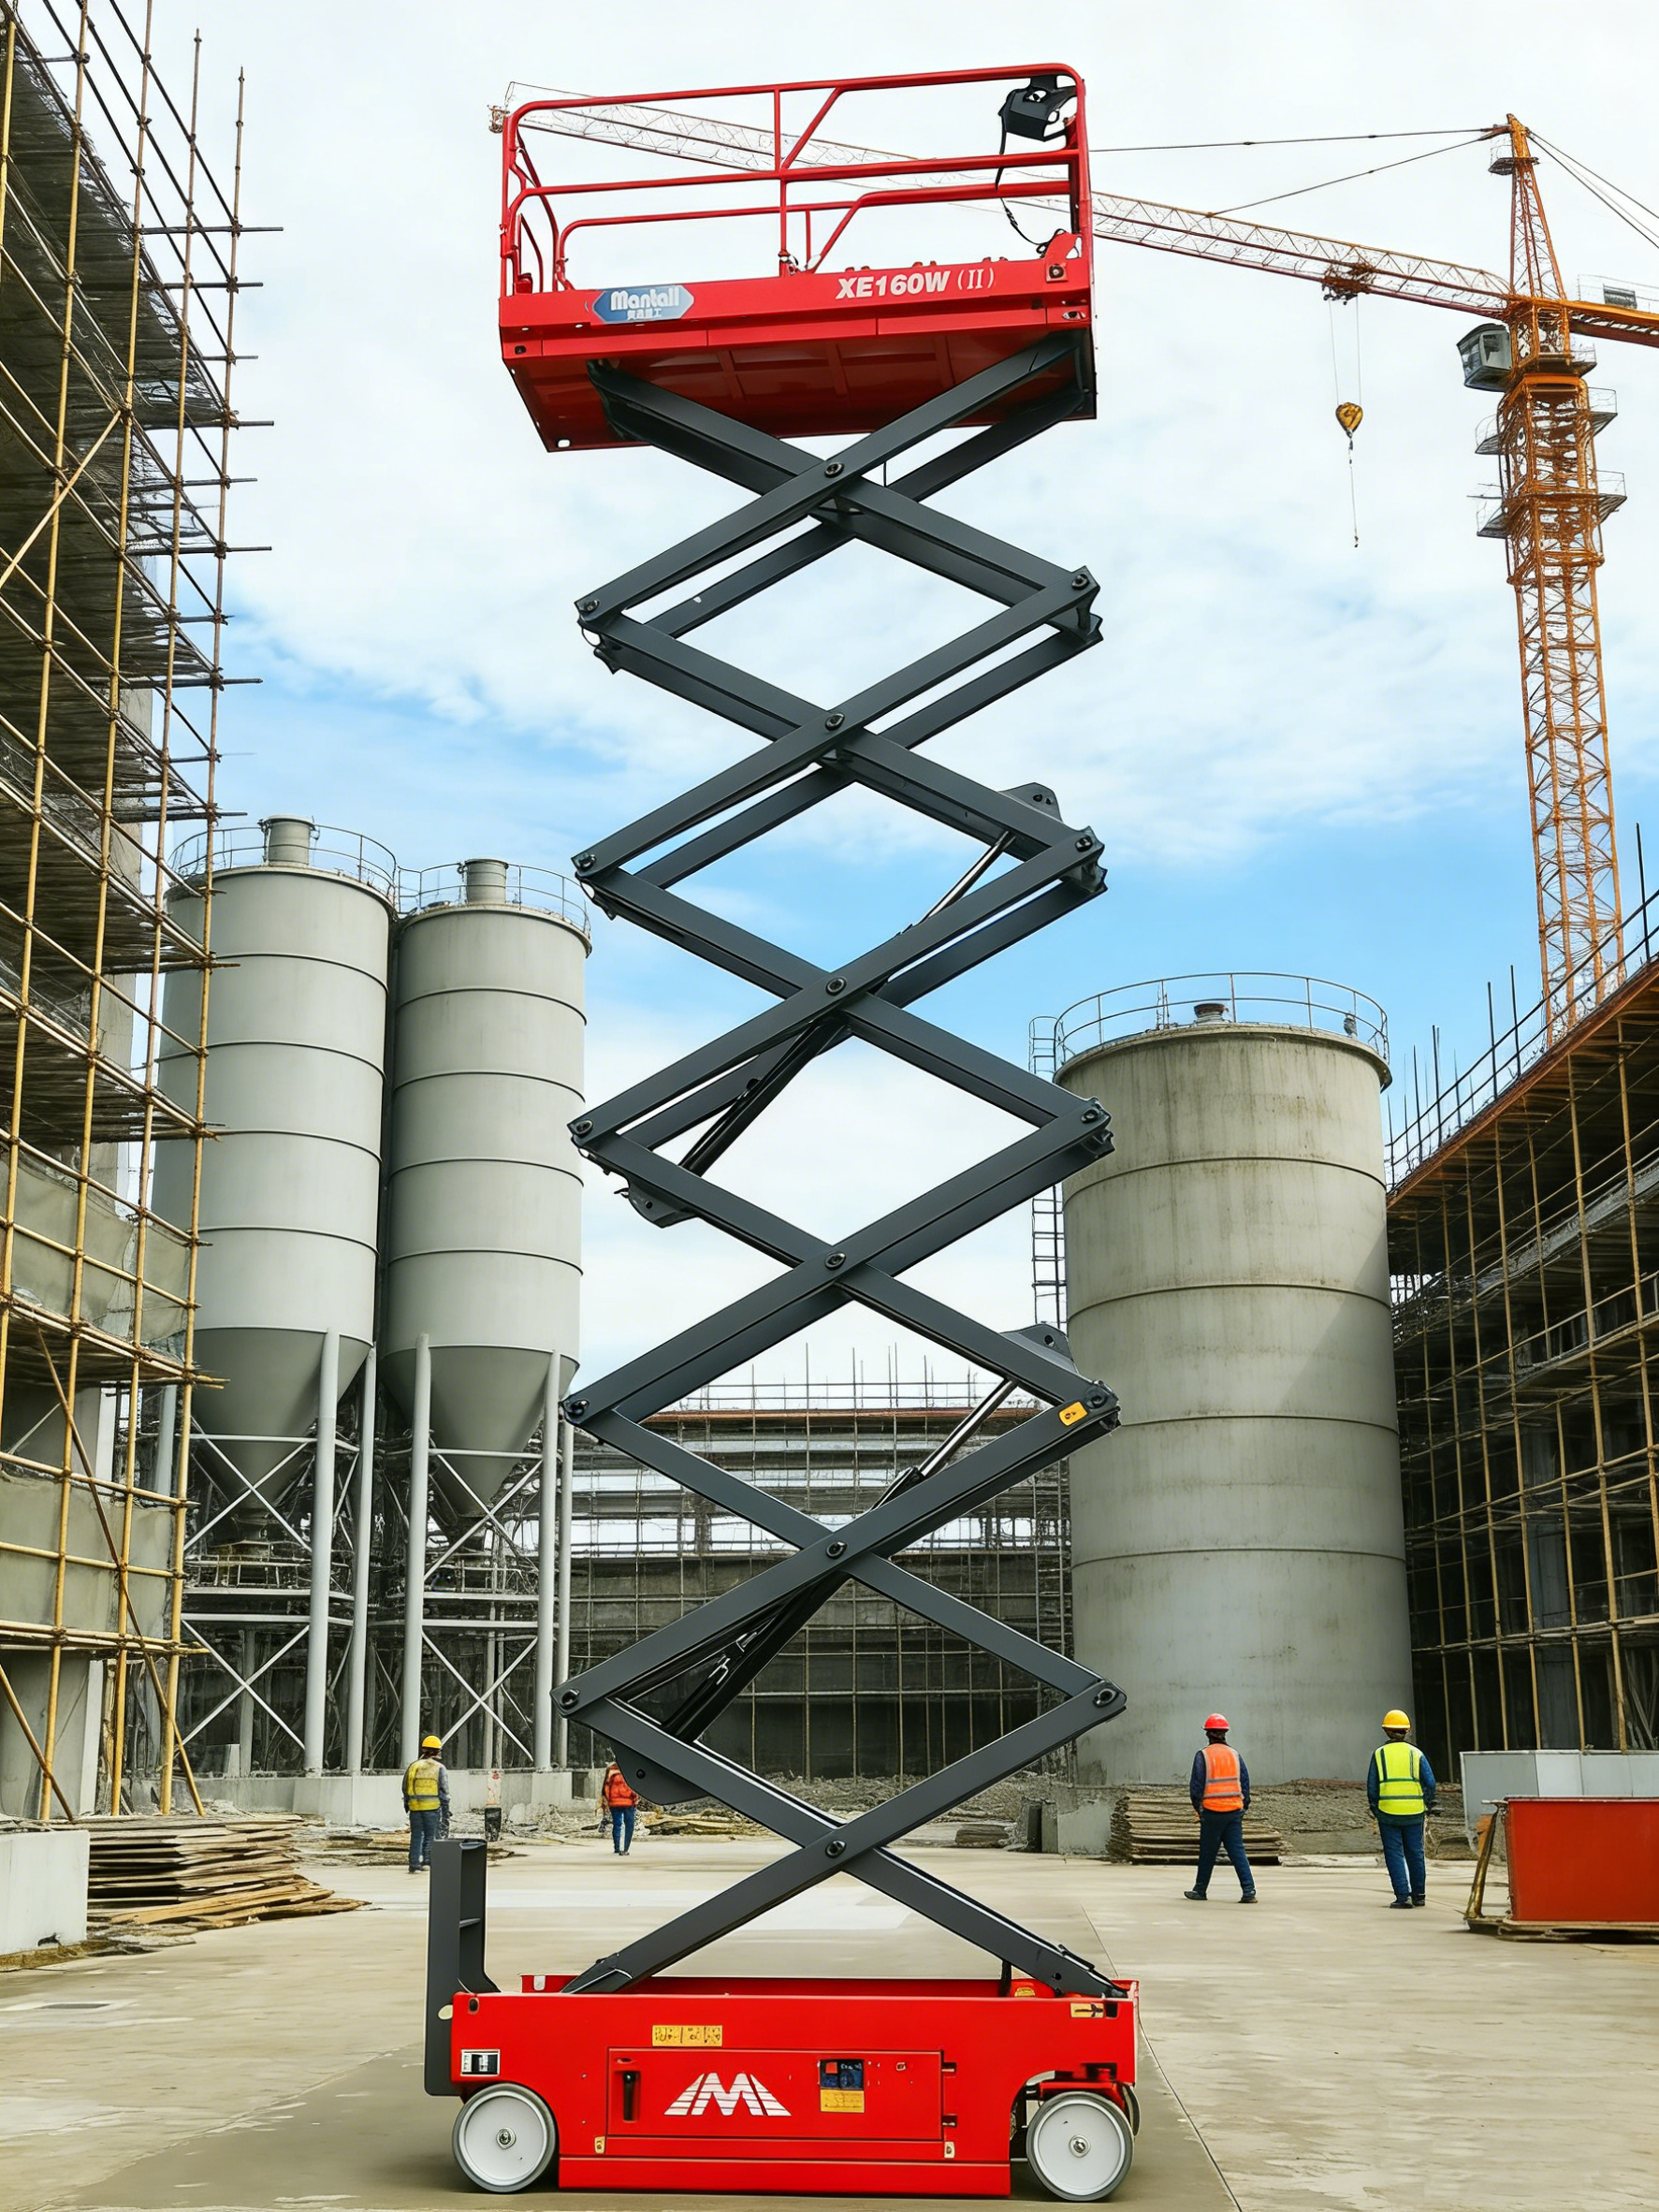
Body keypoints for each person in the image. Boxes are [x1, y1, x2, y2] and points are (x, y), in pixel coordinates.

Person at [1184, 1712, 1257, 1903]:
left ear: (1208, 1734)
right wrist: (1243, 1808)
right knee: (1237, 1852)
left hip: (1212, 1812)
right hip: (1233, 1812)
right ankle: (1249, 1891)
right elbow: (1245, 1784)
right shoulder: (1235, 1755)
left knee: (1207, 1853)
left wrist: (1198, 1809)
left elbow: (1196, 1787)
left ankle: (1200, 1890)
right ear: (1225, 1733)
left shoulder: (1203, 1756)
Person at [1369, 1709, 1436, 1909]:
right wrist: (1426, 1802)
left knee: (1394, 1854)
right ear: (1407, 1731)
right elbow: (1430, 1783)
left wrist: (1375, 1808)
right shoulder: (1416, 1754)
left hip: (1388, 1813)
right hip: (1414, 1812)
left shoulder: (1379, 1754)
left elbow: (1372, 1787)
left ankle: (1402, 1897)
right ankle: (1419, 1896)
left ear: (1386, 1731)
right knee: (1415, 1853)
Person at [403, 1732, 450, 1873]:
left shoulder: (413, 1766)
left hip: (415, 1807)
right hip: (432, 1807)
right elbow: (444, 1791)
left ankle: (413, 1864)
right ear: (437, 1751)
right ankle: (427, 1862)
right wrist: (446, 1810)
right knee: (430, 1836)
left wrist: (407, 1804)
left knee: (416, 1836)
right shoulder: (439, 1768)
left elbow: (405, 1786)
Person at [601, 1759, 639, 1855]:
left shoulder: (611, 1770)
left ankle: (617, 1848)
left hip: (614, 1803)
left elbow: (606, 1788)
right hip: (629, 1803)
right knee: (629, 1825)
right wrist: (635, 1799)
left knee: (617, 1824)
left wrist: (609, 1800)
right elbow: (634, 1787)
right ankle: (625, 1848)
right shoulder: (630, 1770)